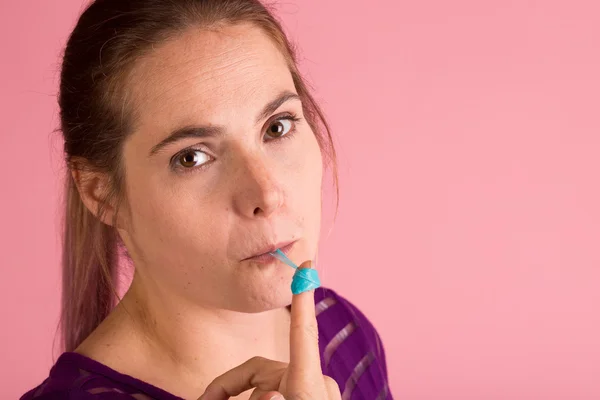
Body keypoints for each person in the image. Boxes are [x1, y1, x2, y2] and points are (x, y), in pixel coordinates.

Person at [21, 0, 393, 399]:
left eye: (277, 127)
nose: (266, 194)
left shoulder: (344, 335)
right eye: (192, 157)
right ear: (101, 193)